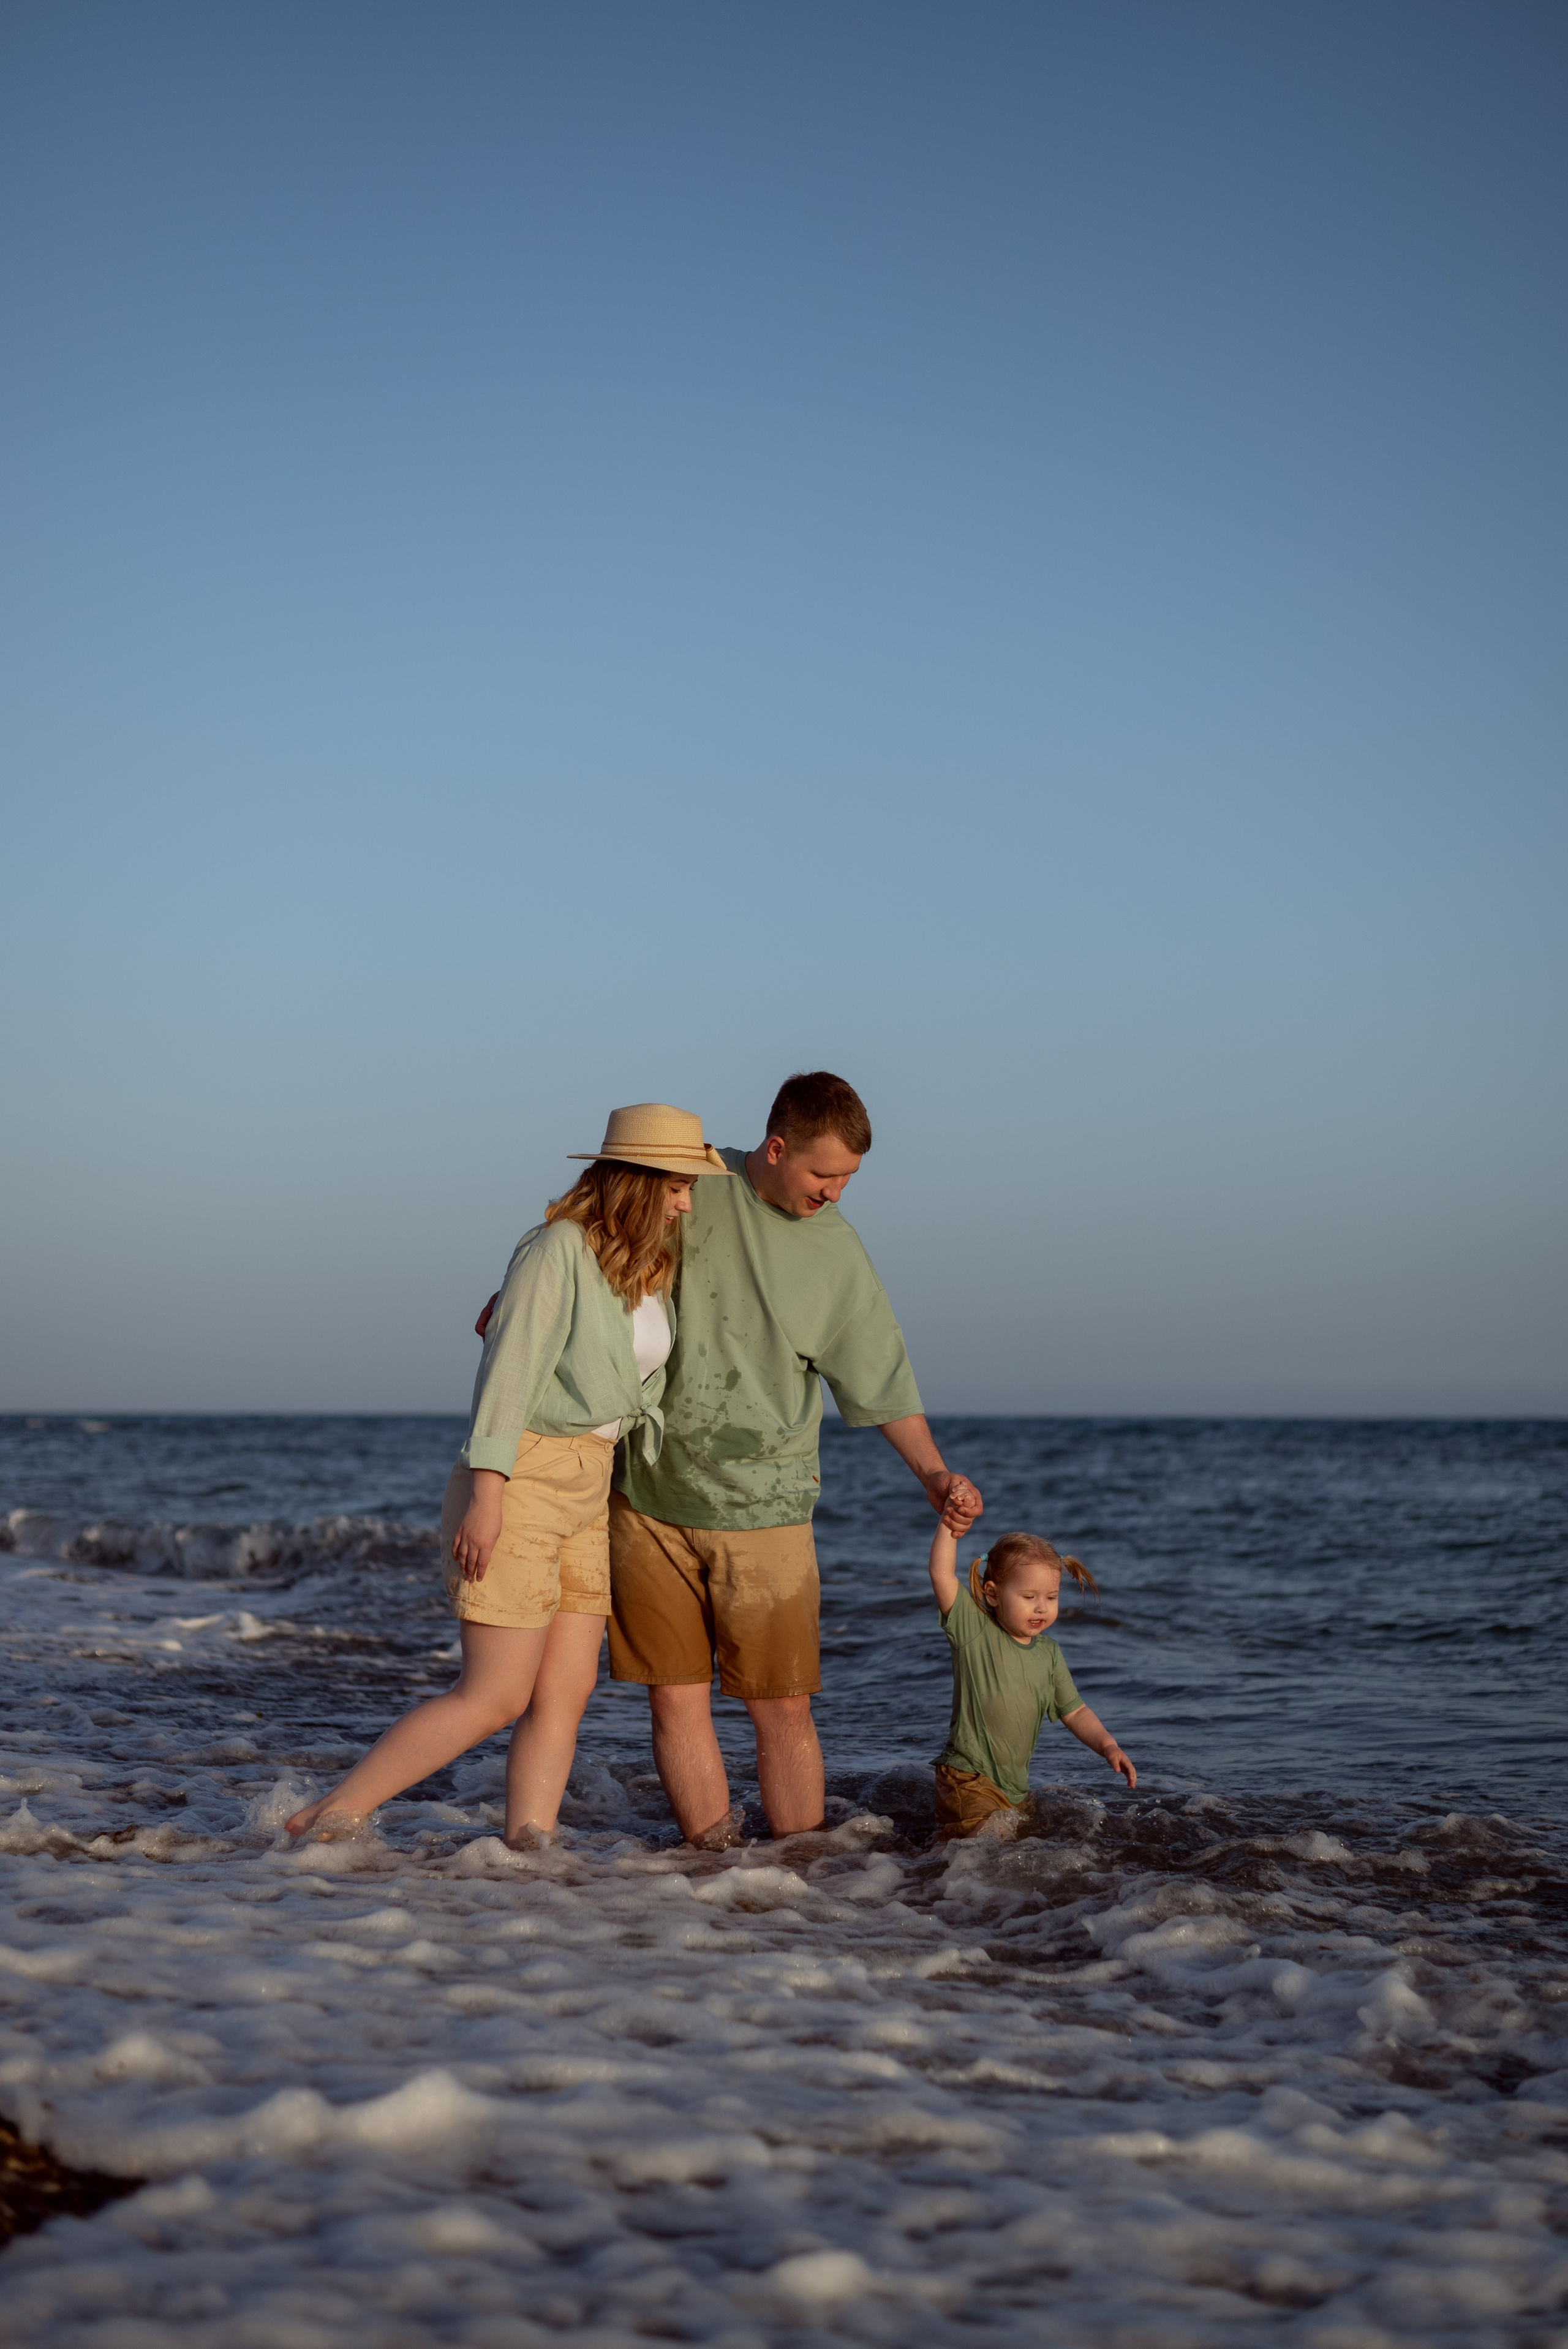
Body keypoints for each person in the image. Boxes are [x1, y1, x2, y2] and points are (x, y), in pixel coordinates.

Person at [285, 1103, 728, 1847]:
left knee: (564, 1695)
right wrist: (488, 1491)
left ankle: (529, 1854)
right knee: (495, 1695)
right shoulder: (555, 1249)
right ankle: (327, 1819)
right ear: (637, 1180)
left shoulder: (647, 1266)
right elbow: (508, 1371)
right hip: (525, 1471)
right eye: (678, 1186)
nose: (686, 1203)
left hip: (591, 1483)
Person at [605, 1070, 984, 1846]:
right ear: (776, 1149)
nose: (835, 1193)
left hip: (767, 1506)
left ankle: (802, 1876)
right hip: (646, 1495)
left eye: (848, 1179)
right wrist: (518, 1302)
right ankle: (709, 1868)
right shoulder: (692, 1183)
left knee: (780, 1705)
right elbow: (592, 1235)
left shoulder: (838, 1253)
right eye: (823, 1174)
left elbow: (880, 1378)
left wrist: (934, 1474)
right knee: (673, 1698)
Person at [928, 1521, 1136, 1839]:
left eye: (1051, 1597)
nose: (1041, 1607)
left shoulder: (1049, 1653)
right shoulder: (975, 1632)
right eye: (1029, 1596)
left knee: (1017, 1843)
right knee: (987, 1844)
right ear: (993, 1594)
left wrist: (1108, 1746)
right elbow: (941, 1575)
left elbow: (1075, 1711)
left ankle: (919, 1861)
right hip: (967, 1777)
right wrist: (949, 1524)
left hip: (1014, 1788)